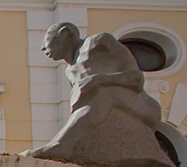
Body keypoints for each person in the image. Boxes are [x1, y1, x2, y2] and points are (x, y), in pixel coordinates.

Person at [27, 21, 161, 159]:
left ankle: (61, 145)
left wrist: (99, 80)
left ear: (64, 33)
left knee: (104, 93)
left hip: (142, 107)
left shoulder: (98, 43)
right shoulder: (70, 71)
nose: (43, 48)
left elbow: (136, 79)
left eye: (47, 38)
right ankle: (60, 144)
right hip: (104, 111)